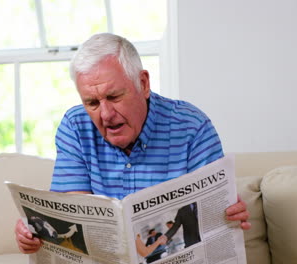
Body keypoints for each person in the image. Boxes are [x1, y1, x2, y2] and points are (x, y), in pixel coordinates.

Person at [15, 33, 250, 254]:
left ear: (143, 83)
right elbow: (71, 216)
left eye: (114, 97)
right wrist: (34, 232)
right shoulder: (75, 126)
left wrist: (226, 214)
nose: (105, 114)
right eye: (92, 103)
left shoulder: (192, 126)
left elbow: (211, 218)